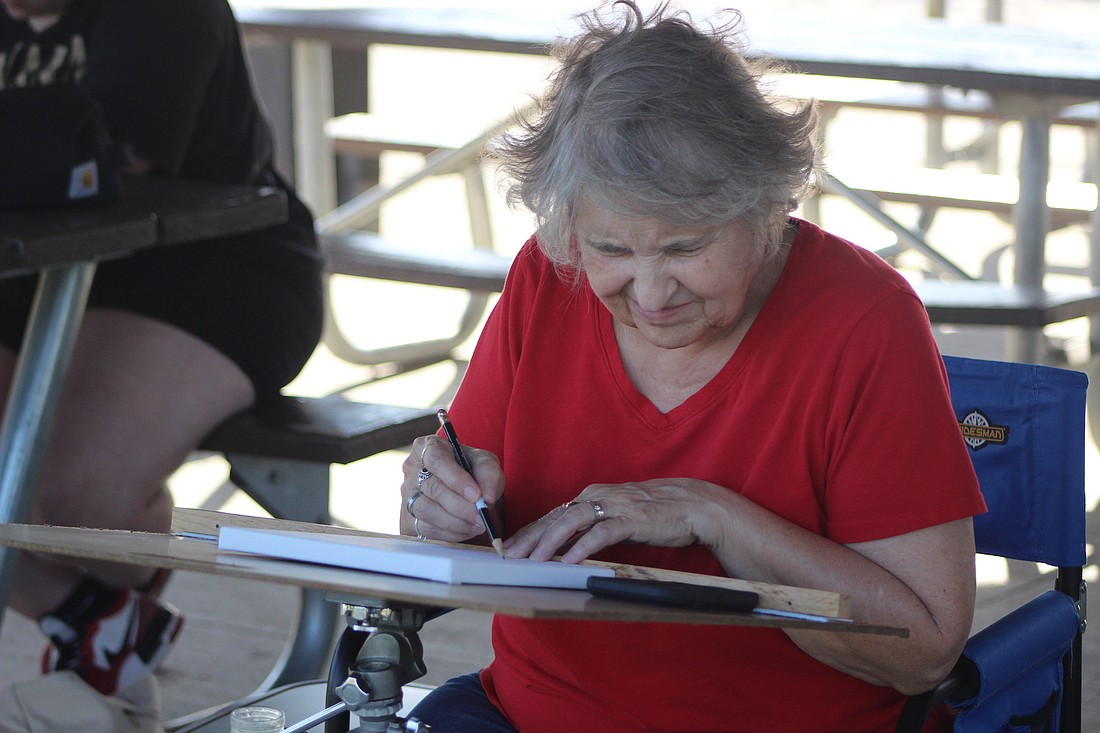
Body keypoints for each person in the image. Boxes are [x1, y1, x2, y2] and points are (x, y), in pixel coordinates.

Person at [397, 2, 987, 731]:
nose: (648, 293)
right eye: (611, 248)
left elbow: (923, 648)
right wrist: (437, 502)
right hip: (530, 714)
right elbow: (441, 543)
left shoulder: (866, 319)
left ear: (771, 203)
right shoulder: (550, 276)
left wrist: (713, 514)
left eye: (684, 248)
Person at [0, 0, 323, 700]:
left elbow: (100, 163)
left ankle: (120, 569)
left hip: (212, 273)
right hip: (27, 276)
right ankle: (87, 614)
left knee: (61, 495)